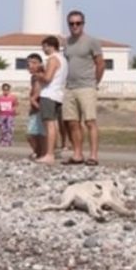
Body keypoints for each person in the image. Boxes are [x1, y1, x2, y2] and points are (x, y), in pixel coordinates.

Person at [62, 10, 105, 166]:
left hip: (86, 86)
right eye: (71, 23)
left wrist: (95, 83)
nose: (75, 26)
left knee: (90, 121)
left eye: (78, 23)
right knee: (72, 122)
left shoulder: (91, 41)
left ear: (83, 24)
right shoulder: (67, 43)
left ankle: (93, 155)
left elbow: (100, 63)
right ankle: (77, 154)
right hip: (70, 87)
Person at [36, 36, 68, 165]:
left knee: (49, 125)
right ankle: (52, 152)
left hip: (49, 94)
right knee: (53, 124)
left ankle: (49, 154)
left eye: (44, 46)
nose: (43, 49)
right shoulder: (63, 59)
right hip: (58, 94)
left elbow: (48, 78)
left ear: (50, 46)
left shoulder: (52, 59)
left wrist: (38, 75)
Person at [26, 54, 47, 159]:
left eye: (34, 63)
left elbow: (37, 92)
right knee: (34, 134)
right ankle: (38, 152)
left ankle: (42, 153)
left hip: (39, 107)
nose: (30, 65)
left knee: (37, 133)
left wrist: (33, 101)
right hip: (35, 108)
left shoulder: (38, 76)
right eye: (29, 63)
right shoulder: (33, 77)